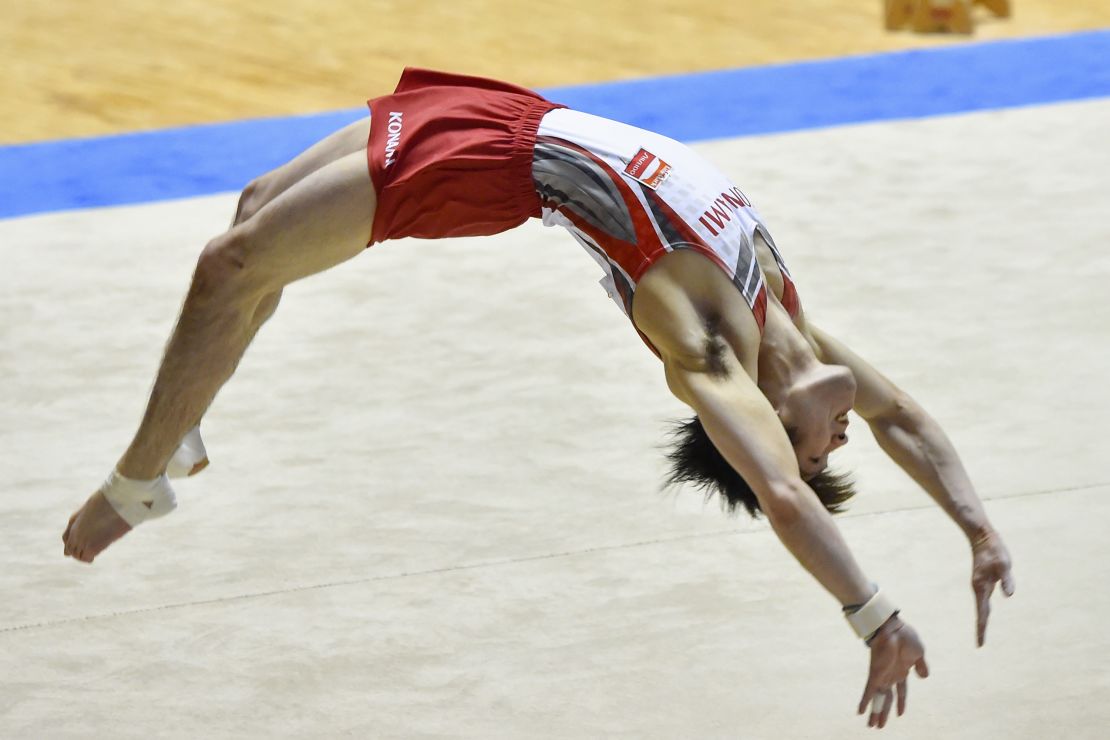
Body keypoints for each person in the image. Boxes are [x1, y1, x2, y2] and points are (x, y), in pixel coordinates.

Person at [61, 68, 1014, 728]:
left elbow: (783, 497)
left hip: (499, 172)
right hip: (516, 112)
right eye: (830, 452)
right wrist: (977, 530)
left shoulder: (707, 351)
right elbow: (908, 421)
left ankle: (142, 477)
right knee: (255, 204)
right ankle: (185, 429)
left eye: (816, 450)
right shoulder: (787, 322)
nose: (836, 442)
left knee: (227, 265)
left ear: (759, 429)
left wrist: (873, 615)